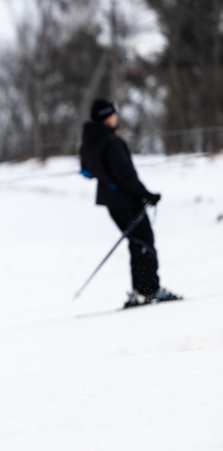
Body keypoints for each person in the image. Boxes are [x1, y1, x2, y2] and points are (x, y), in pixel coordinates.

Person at [79, 98, 180, 308]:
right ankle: (149, 290)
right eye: (113, 113)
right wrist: (146, 194)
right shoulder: (110, 141)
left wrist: (106, 178)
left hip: (111, 202)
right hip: (126, 200)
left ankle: (141, 291)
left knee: (136, 242)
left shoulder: (89, 141)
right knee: (144, 241)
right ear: (107, 116)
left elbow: (87, 171)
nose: (116, 116)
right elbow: (125, 175)